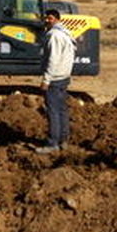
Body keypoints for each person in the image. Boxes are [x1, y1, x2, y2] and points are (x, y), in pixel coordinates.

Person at [36, 8, 75, 153]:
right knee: (62, 109)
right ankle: (63, 140)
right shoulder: (66, 33)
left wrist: (46, 79)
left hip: (55, 78)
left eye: (50, 18)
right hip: (64, 76)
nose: (47, 20)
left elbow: (53, 59)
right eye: (46, 18)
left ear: (57, 19)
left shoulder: (54, 36)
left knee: (53, 111)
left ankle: (52, 143)